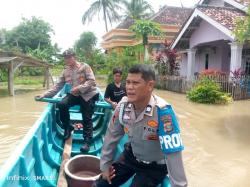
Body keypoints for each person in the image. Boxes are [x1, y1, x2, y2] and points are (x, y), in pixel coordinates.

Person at [93, 64, 187, 187]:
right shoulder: (122, 107)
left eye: (136, 83)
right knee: (101, 184)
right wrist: (105, 166)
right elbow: (111, 136)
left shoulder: (163, 113)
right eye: (128, 82)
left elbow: (173, 154)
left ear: (150, 86)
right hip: (131, 156)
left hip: (154, 167)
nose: (129, 88)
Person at [36, 49, 99, 152]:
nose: (68, 59)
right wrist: (44, 95)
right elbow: (57, 86)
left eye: (69, 57)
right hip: (75, 94)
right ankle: (68, 127)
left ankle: (87, 141)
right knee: (62, 104)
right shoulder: (65, 71)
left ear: (75, 57)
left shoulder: (85, 66)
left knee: (87, 116)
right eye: (66, 58)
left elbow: (92, 81)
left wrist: (79, 88)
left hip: (88, 94)